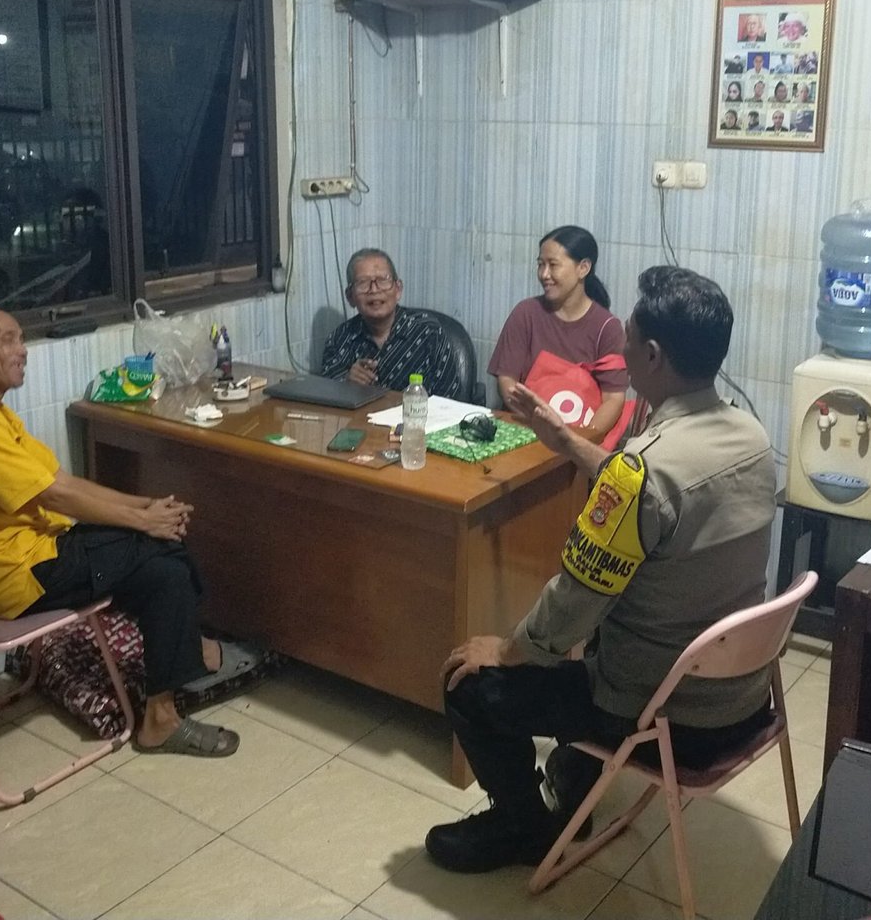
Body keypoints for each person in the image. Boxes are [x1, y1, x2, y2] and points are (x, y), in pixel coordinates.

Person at [424, 267, 777, 874]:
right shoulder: (752, 435)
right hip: (742, 698)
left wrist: (505, 650)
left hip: (664, 714)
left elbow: (572, 603)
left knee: (470, 682)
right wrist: (566, 441)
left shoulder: (642, 471)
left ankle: (522, 828)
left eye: (628, 337)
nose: (620, 349)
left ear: (653, 355)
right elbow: (652, 494)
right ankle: (575, 776)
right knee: (590, 646)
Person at [0, 309, 240, 756]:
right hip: (15, 576)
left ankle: (166, 705)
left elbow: (63, 482)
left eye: (21, 339)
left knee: (163, 564)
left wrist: (144, 506)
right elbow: (55, 497)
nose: (22, 351)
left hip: (40, 552)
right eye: (9, 340)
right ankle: (190, 666)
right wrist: (144, 521)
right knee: (160, 545)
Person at [489, 226, 627, 440]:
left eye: (553, 265)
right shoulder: (525, 313)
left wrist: (579, 441)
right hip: (525, 430)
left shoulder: (607, 328)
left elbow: (613, 399)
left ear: (583, 268)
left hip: (579, 439)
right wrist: (537, 423)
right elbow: (507, 380)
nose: (544, 274)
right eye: (540, 265)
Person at [320, 248, 461, 397]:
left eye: (383, 280)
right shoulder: (339, 340)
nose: (374, 290)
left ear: (398, 289)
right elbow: (327, 399)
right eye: (363, 283)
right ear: (350, 297)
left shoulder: (428, 332)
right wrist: (347, 383)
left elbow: (451, 399)